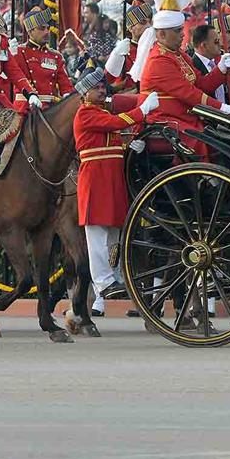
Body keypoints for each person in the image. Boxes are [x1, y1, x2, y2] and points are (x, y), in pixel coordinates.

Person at [73, 69, 160, 314]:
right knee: (97, 234)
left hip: (111, 176)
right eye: (96, 87)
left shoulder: (100, 112)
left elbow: (112, 139)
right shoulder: (85, 113)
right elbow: (116, 123)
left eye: (103, 87)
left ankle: (115, 275)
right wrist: (142, 110)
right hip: (95, 178)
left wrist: (128, 146)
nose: (102, 90)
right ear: (84, 93)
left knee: (113, 232)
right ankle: (102, 282)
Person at [138, 0, 230, 156]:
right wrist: (221, 108)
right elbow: (189, 93)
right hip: (164, 119)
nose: (183, 35)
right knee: (201, 138)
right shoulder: (159, 60)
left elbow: (201, 85)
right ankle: (208, 178)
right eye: (178, 31)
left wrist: (220, 69)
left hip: (185, 115)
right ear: (162, 34)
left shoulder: (179, 54)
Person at [13, 8, 73, 105]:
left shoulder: (55, 56)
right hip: (25, 106)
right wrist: (8, 54)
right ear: (30, 31)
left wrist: (68, 96)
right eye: (41, 28)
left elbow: (65, 84)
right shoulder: (19, 52)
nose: (46, 32)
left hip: (50, 108)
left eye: (47, 28)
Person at [106, 3, 152, 93]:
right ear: (131, 28)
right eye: (143, 22)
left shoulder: (157, 46)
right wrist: (116, 55)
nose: (148, 26)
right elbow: (107, 81)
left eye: (150, 22)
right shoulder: (123, 50)